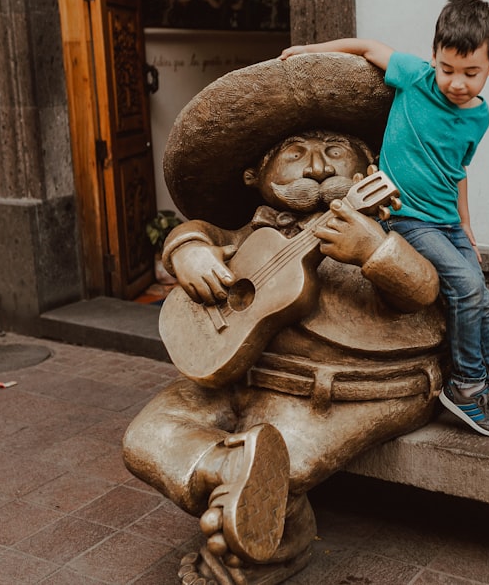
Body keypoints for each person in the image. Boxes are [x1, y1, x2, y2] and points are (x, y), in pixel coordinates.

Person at [124, 56, 447, 583]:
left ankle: (269, 548)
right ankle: (231, 477)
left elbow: (424, 290)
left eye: (335, 153)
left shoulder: (389, 219)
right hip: (244, 375)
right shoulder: (249, 233)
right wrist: (188, 251)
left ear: (368, 169)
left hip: (351, 391)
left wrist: (376, 250)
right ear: (256, 175)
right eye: (295, 155)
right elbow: (196, 232)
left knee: (286, 464)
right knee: (149, 435)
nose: (317, 168)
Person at [280, 0, 489, 437]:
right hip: (407, 219)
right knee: (465, 287)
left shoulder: (478, 117)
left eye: (470, 73)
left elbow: (458, 171)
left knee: (482, 299)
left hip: (447, 223)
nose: (456, 83)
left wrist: (467, 226)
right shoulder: (414, 77)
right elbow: (366, 47)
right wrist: (308, 51)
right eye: (447, 69)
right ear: (434, 57)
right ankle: (465, 387)